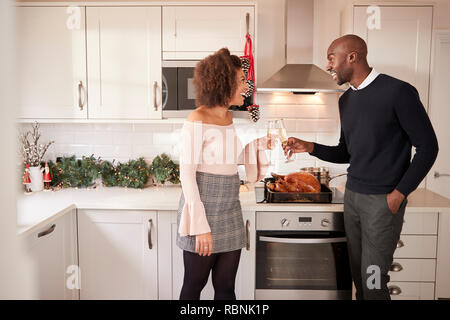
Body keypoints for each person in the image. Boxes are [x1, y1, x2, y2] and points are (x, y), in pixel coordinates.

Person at [283, 34, 439, 300]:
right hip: (353, 198)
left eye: (332, 57)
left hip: (383, 201)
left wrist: (399, 193)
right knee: (359, 279)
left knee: (374, 280)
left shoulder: (398, 92)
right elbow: (347, 152)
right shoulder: (346, 101)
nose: (328, 65)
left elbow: (428, 148)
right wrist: (310, 146)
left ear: (352, 57)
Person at [176, 48, 269, 300]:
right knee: (193, 286)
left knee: (226, 288)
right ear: (224, 82)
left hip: (229, 210)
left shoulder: (228, 117)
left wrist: (256, 145)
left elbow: (226, 161)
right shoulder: (197, 119)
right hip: (202, 213)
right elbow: (186, 174)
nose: (246, 86)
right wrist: (200, 226)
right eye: (241, 80)